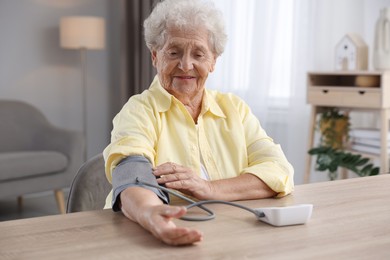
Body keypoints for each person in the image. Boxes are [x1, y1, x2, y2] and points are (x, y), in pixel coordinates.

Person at [103, 0, 294, 246]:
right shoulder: (139, 110)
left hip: (230, 237)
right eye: (173, 52)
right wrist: (150, 214)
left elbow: (279, 170)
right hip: (146, 238)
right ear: (155, 56)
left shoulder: (235, 109)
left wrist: (209, 189)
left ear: (213, 61)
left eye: (198, 54)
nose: (185, 65)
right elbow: (132, 174)